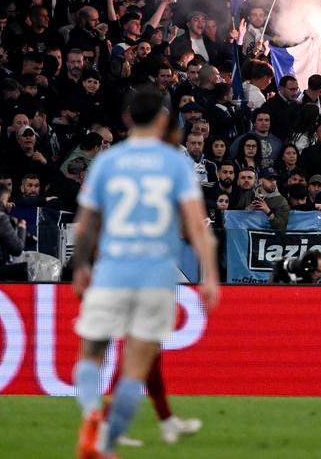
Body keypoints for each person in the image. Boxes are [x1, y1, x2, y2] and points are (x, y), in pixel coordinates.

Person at [71, 85, 219, 459]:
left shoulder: (106, 161)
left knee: (91, 355)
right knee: (135, 370)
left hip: (110, 274)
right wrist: (211, 277)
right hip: (154, 279)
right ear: (164, 120)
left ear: (125, 119)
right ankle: (103, 443)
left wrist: (81, 267)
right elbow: (196, 226)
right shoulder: (175, 163)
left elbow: (85, 225)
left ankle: (91, 419)